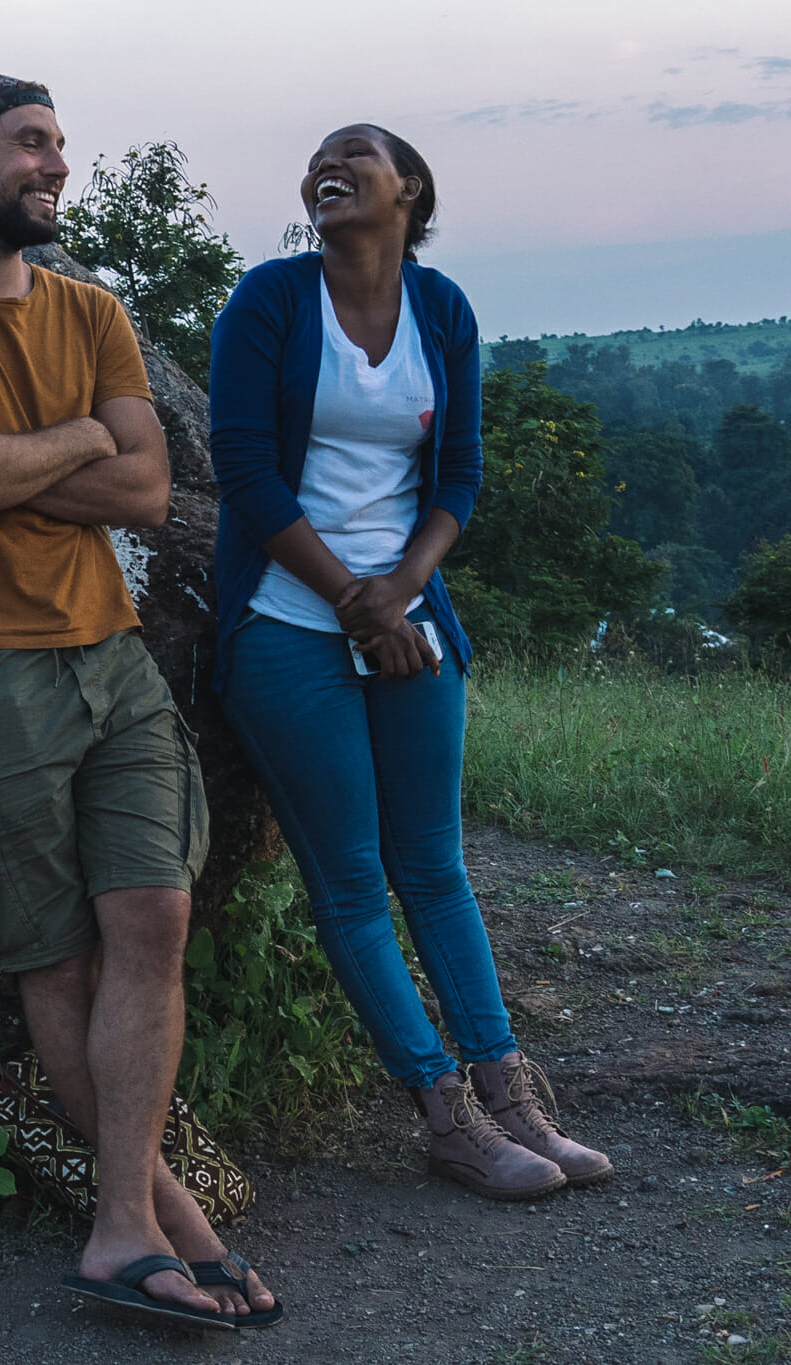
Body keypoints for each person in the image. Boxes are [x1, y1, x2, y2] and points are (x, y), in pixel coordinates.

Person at [0, 74, 280, 1329]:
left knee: (152, 920)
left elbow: (143, 492)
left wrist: (24, 449)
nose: (55, 165)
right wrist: (77, 436)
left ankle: (133, 1222)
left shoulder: (90, 310)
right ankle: (158, 1224)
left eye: (60, 146)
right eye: (29, 143)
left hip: (109, 654)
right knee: (57, 958)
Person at [206, 124, 612, 1200]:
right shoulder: (270, 300)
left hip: (406, 616)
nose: (325, 167)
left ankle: (511, 1097)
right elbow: (242, 471)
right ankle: (443, 1115)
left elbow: (460, 476)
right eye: (316, 159)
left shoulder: (441, 310)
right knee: (347, 877)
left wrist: (397, 592)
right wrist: (348, 600)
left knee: (432, 866)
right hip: (287, 619)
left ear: (408, 189)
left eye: (354, 154)